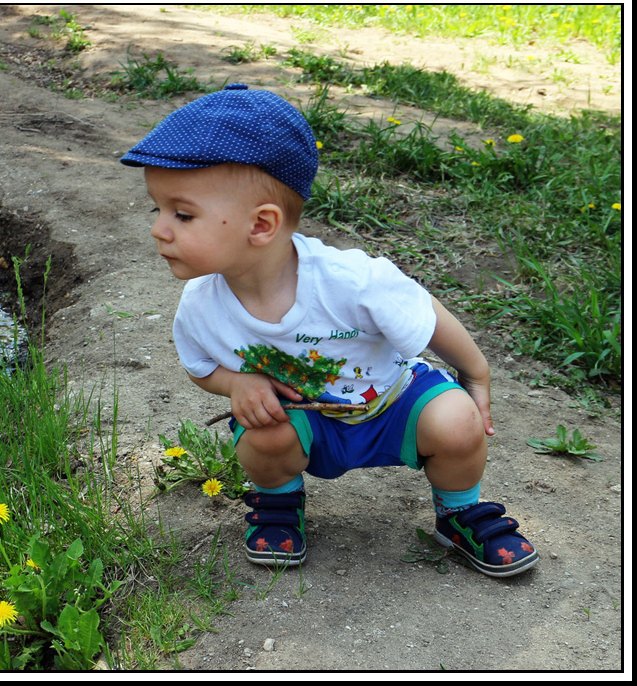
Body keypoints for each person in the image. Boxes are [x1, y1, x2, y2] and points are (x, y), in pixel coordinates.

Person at [120, 84, 538, 577]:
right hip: (301, 418)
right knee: (263, 434)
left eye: (181, 214)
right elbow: (201, 365)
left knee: (458, 421)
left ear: (261, 225)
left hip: (390, 400)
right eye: (158, 209)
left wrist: (477, 372)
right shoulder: (202, 303)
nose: (159, 229)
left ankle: (459, 511)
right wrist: (237, 383)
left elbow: (422, 313)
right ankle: (278, 500)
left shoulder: (351, 282)